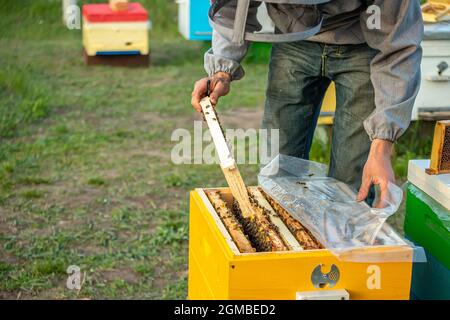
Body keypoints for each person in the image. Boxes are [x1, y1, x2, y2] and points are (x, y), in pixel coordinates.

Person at [191, 0, 423, 207]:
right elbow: (233, 7)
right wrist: (221, 70)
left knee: (351, 182)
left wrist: (382, 145)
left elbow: (399, 50)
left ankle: (344, 248)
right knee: (276, 167)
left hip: (362, 43)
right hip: (292, 41)